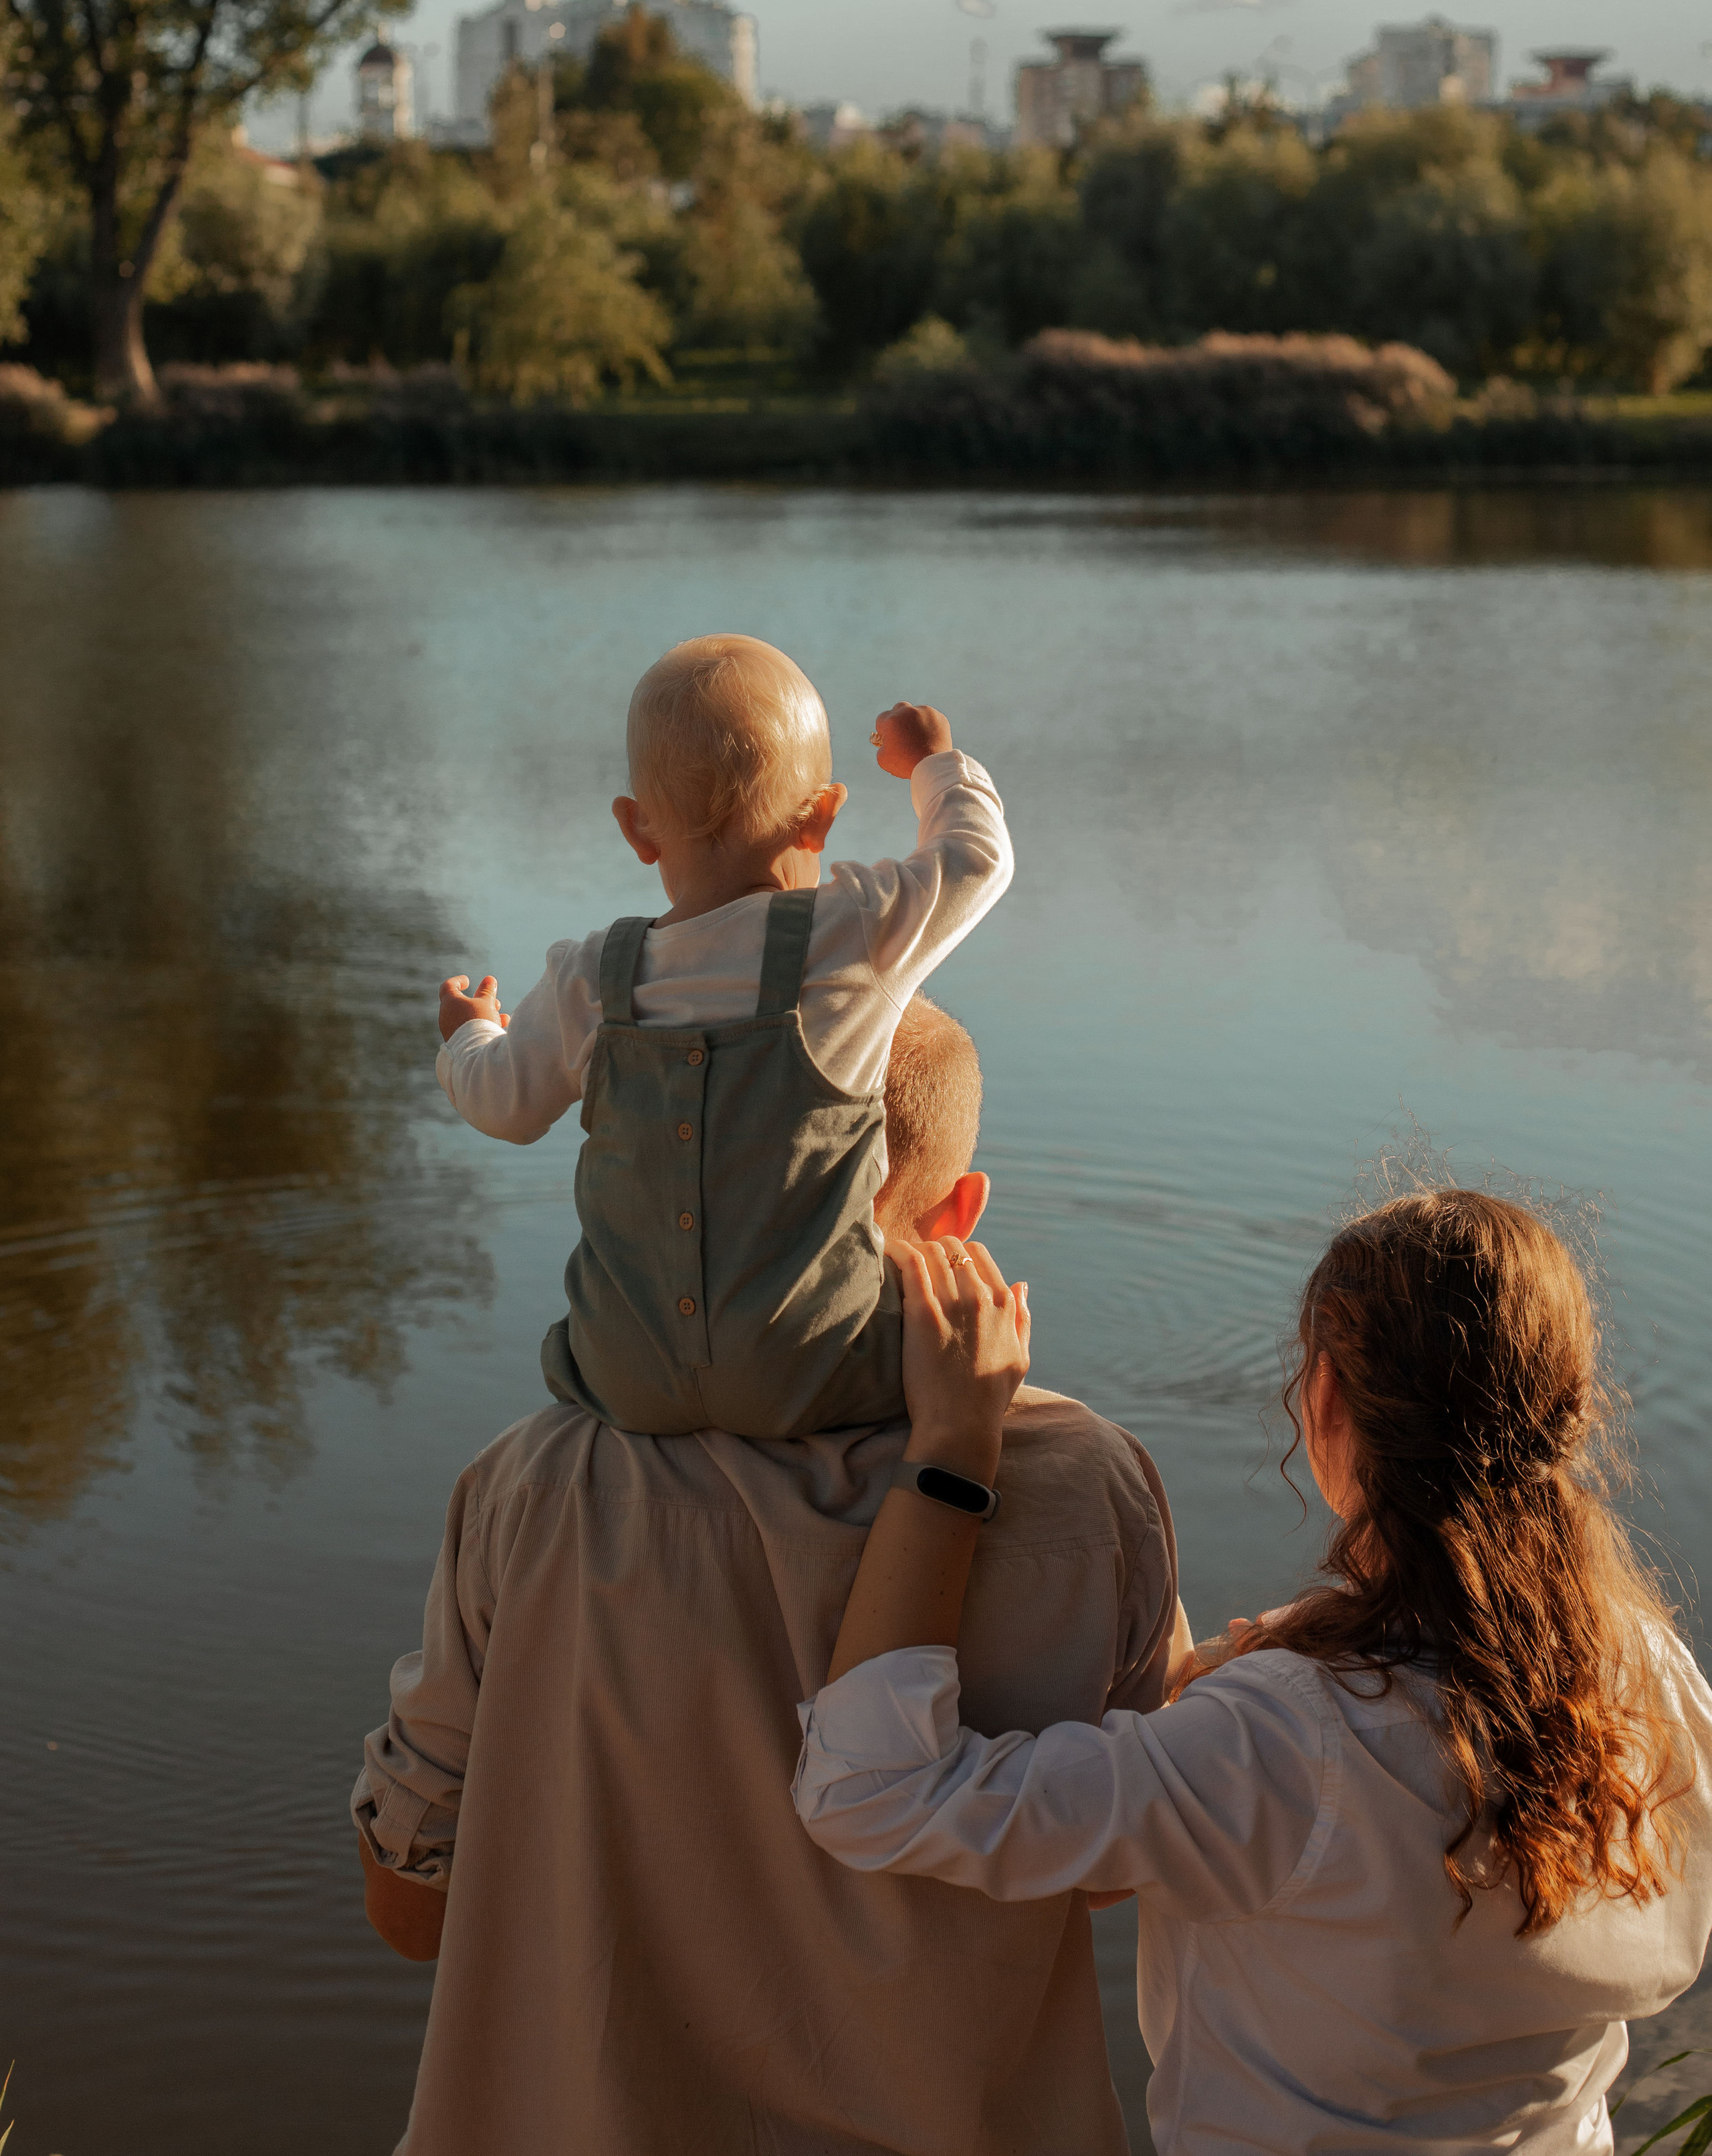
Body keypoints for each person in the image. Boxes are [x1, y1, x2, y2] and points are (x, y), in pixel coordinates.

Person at [354, 996, 1192, 2156]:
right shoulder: (1095, 1492)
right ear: (959, 1212)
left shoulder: (535, 1489)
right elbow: (1121, 1873)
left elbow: (409, 1909)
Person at [795, 1188, 1712, 2155]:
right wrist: (1269, 1668)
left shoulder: (1275, 1742)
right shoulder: (1648, 1674)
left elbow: (869, 1790)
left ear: (1324, 1397)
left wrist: (950, 1452)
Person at [434, 633, 1012, 1436]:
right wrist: (934, 762)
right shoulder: (853, 936)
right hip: (817, 1370)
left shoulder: (591, 977)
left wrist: (470, 1037)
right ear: (822, 820)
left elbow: (504, 1107)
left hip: (625, 1378)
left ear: (637, 831)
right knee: (966, 1340)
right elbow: (975, 860)